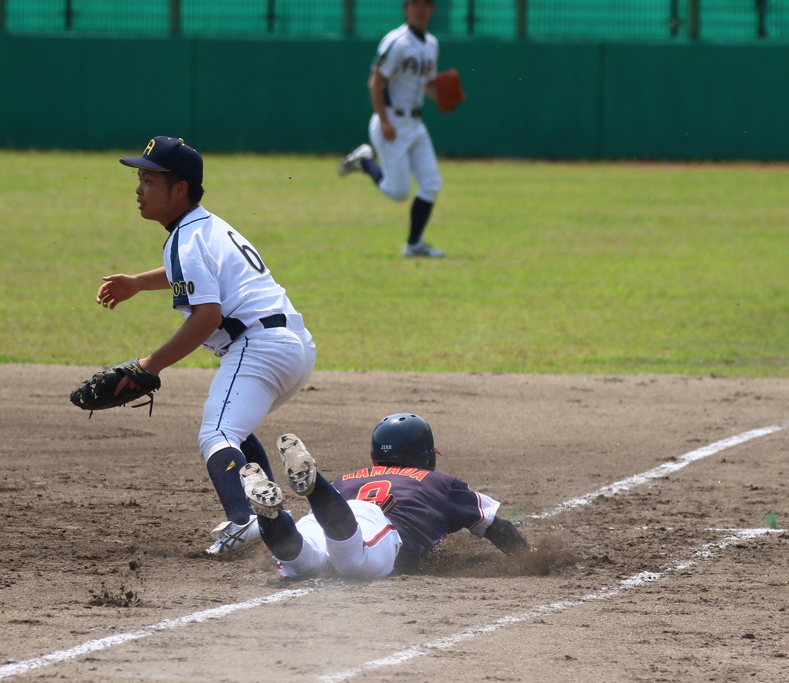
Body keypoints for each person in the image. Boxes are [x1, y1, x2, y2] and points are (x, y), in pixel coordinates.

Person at [96, 136, 317, 556]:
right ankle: (270, 521)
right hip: (293, 345)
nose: (139, 189)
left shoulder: (186, 236)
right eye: (139, 178)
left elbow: (207, 316)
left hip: (259, 346)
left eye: (149, 180)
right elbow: (193, 274)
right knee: (234, 427)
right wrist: (139, 283)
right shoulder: (201, 227)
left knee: (216, 432)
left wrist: (149, 366)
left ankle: (247, 520)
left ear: (179, 189)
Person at [239, 414, 530, 579]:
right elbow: (498, 527)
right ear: (426, 455)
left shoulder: (348, 478)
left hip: (326, 513)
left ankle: (274, 514)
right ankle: (313, 488)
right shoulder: (438, 483)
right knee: (351, 559)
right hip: (368, 527)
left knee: (298, 558)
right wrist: (530, 561)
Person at [338, 0, 446, 259]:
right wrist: (384, 120)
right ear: (405, 8)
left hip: (416, 124)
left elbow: (428, 84)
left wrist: (442, 96)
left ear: (432, 9)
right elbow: (376, 81)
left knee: (431, 183)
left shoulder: (431, 44)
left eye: (426, 4)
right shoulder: (397, 41)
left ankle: (414, 244)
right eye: (415, 4)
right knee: (398, 193)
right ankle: (364, 162)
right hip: (392, 123)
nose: (420, 9)